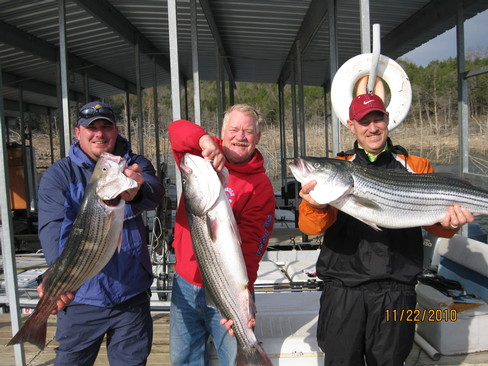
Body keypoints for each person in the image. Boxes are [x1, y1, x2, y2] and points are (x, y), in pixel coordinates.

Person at [297, 93, 474, 366]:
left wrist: (449, 223)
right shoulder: (338, 166)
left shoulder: (416, 166)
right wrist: (315, 204)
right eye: (364, 121)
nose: (372, 128)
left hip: (397, 291)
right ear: (351, 125)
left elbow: (436, 226)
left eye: (377, 119)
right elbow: (310, 227)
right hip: (344, 290)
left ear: (387, 120)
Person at [37, 101, 164, 365]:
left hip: (131, 296)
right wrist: (57, 276)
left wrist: (137, 190)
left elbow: (153, 191)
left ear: (116, 130)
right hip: (81, 297)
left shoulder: (135, 164)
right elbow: (51, 227)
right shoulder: (59, 174)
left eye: (106, 127)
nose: (99, 134)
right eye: (91, 128)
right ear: (78, 132)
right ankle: (34, 326)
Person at [168, 103, 275, 365]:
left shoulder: (260, 187)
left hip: (225, 290)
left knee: (232, 358)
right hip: (185, 281)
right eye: (234, 129)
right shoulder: (201, 156)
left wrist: (243, 300)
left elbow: (251, 249)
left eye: (248, 131)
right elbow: (175, 130)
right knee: (184, 360)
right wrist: (204, 139)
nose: (240, 136)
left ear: (257, 138)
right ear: (222, 132)